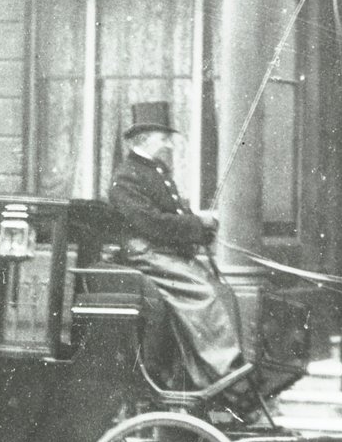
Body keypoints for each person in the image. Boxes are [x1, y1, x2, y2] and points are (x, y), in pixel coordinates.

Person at [106, 101, 249, 388]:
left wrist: (200, 225)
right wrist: (197, 225)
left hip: (163, 252)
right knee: (203, 292)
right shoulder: (125, 177)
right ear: (144, 139)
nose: (169, 145)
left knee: (222, 291)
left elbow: (173, 217)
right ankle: (222, 371)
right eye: (164, 138)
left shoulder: (156, 170)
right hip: (145, 253)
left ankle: (209, 375)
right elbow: (152, 223)